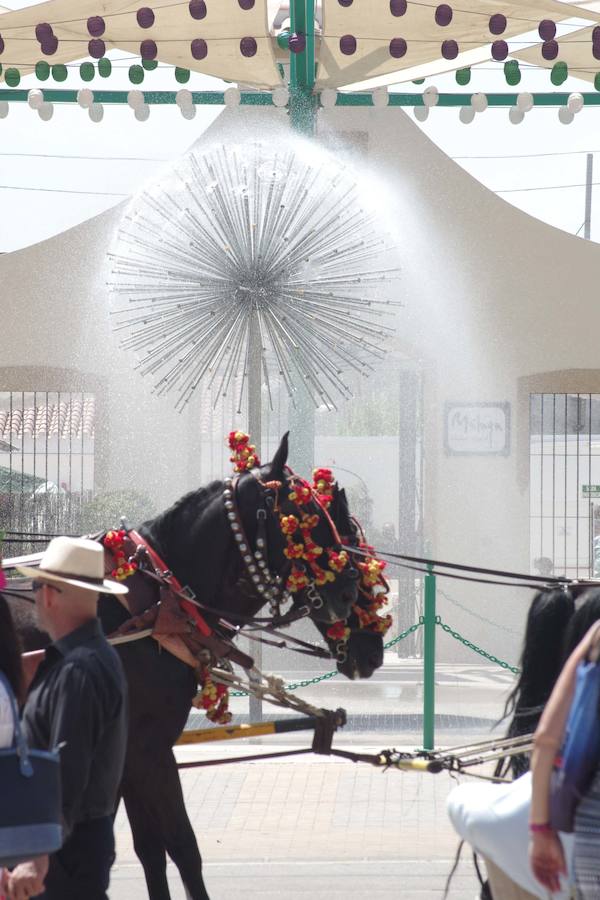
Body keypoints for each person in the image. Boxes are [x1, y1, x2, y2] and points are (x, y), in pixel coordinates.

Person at [3, 536, 129, 900]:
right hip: (69, 845)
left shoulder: (79, 670)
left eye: (37, 584)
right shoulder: (85, 660)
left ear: (50, 595)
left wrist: (36, 856)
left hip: (63, 853)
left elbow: (66, 770)